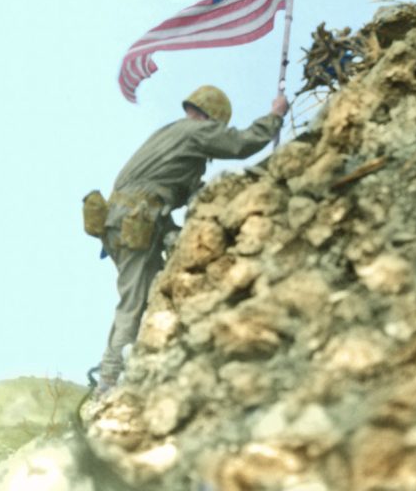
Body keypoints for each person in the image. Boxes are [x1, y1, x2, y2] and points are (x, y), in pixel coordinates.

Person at [89, 85, 289, 394]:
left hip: (121, 221)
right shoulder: (196, 132)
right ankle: (110, 379)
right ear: (211, 118)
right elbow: (241, 144)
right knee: (135, 298)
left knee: (151, 289)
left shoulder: (171, 132)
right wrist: (274, 117)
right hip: (135, 222)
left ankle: (139, 361)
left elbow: (164, 188)